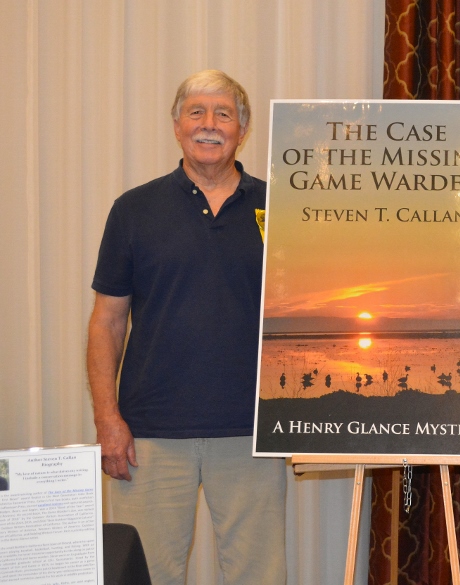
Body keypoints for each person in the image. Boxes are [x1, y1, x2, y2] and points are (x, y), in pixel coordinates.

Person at [87, 70, 286, 585]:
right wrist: (108, 419)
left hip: (252, 432)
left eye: (224, 113)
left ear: (243, 128)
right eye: (196, 112)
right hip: (149, 434)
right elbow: (107, 322)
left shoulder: (282, 208)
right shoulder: (133, 210)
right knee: (146, 575)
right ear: (177, 125)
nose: (209, 124)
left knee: (258, 575)